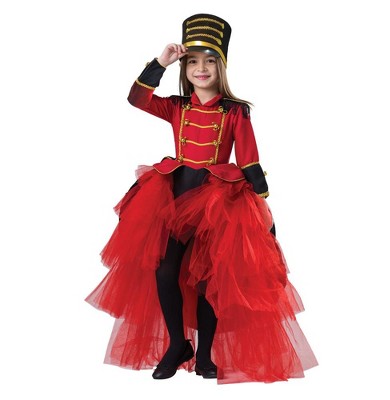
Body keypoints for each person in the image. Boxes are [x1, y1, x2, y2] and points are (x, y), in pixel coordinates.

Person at [86, 13, 318, 384]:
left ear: (221, 66)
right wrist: (161, 62)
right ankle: (178, 345)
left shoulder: (235, 110)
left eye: (210, 61)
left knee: (210, 280)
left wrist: (261, 207)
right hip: (175, 196)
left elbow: (250, 159)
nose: (201, 68)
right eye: (193, 61)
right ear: (185, 68)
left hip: (217, 202)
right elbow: (137, 98)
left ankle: (206, 353)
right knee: (165, 271)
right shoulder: (177, 106)